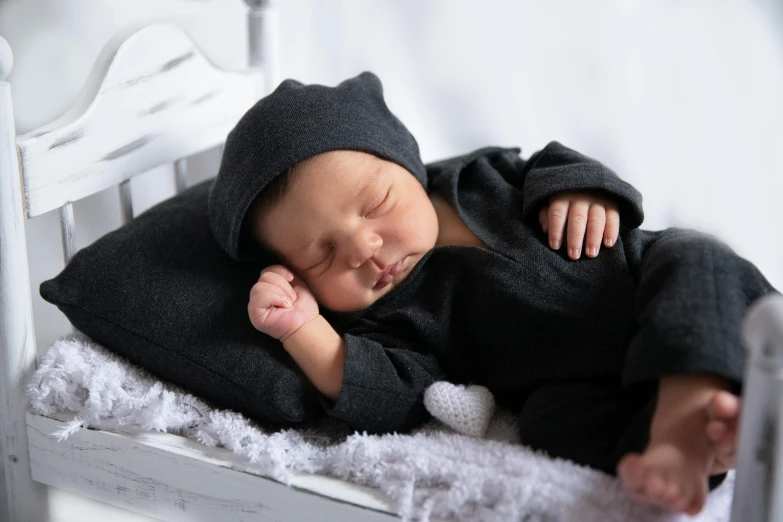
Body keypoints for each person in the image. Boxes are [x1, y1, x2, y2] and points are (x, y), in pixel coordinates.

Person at [208, 72, 776, 515]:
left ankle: (687, 406)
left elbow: (552, 162)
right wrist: (304, 329)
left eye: (377, 203)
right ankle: (708, 439)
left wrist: (581, 192)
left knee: (692, 252)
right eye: (322, 255)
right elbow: (387, 396)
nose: (364, 248)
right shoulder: (389, 318)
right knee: (549, 424)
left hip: (654, 284)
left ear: (407, 161)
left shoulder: (481, 174)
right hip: (583, 378)